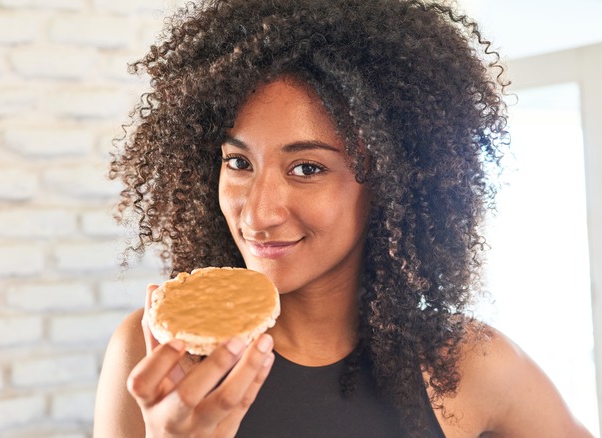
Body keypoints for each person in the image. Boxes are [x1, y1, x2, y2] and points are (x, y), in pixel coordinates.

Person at [94, 0, 593, 436]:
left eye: (307, 168)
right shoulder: (154, 360)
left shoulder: (469, 366)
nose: (260, 211)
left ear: (393, 182)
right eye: (239, 163)